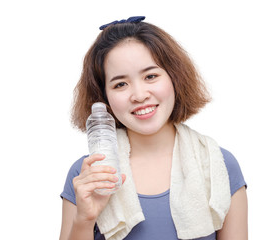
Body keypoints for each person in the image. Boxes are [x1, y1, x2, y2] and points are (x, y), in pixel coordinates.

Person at [59, 16, 248, 240]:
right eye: (120, 84)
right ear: (104, 97)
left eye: (151, 76)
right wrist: (84, 219)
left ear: (174, 78)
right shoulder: (88, 175)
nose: (139, 95)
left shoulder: (220, 165)